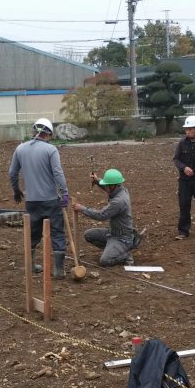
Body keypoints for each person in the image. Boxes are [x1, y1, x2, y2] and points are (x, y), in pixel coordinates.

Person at [9, 118, 70, 279]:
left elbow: (12, 173)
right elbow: (58, 172)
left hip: (32, 201)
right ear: (48, 134)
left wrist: (16, 191)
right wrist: (65, 192)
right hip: (51, 200)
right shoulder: (51, 150)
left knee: (33, 234)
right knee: (57, 232)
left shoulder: (20, 149)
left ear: (33, 131)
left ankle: (31, 266)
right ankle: (58, 270)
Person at [72, 168, 141, 267]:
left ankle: (125, 255)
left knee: (105, 261)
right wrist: (97, 180)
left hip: (122, 239)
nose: (105, 187)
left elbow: (101, 215)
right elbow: (108, 187)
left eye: (106, 185)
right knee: (89, 235)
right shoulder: (121, 189)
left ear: (113, 185)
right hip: (113, 232)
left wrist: (82, 209)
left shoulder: (118, 201)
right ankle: (112, 249)